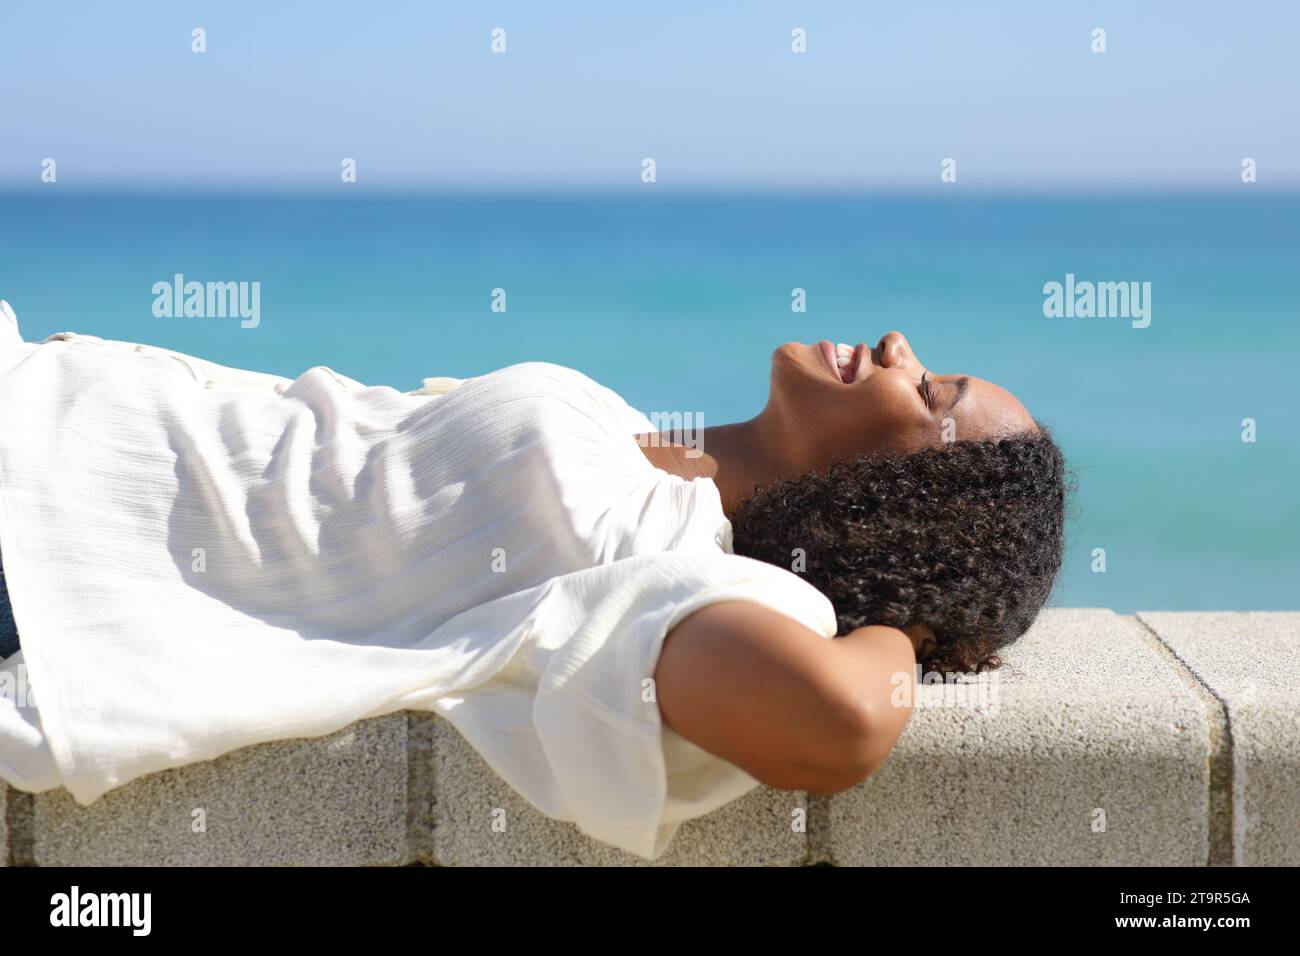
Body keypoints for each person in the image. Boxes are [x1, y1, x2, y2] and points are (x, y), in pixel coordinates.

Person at [0, 301, 1064, 858]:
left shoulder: (704, 575)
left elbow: (837, 720)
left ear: (913, 510)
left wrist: (912, 614)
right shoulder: (641, 433)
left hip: (40, 551)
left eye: (930, 391)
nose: (896, 344)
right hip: (52, 401)